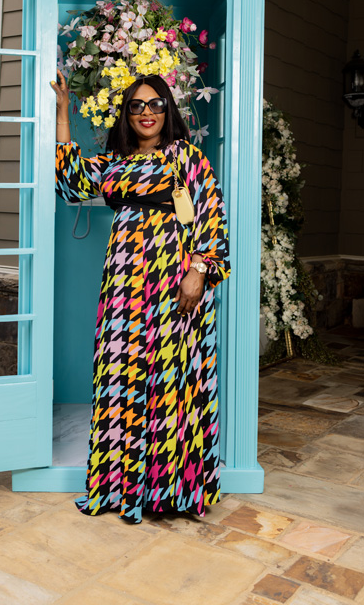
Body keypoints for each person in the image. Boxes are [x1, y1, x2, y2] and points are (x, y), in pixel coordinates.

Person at [50, 70, 231, 524]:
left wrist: (198, 271)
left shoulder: (187, 157)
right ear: (127, 115)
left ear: (168, 110)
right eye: (136, 106)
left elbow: (211, 218)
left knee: (173, 381)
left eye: (155, 104)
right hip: (125, 288)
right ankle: (122, 486)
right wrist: (63, 113)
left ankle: (173, 491)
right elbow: (70, 179)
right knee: (123, 378)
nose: (146, 112)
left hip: (175, 284)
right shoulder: (116, 162)